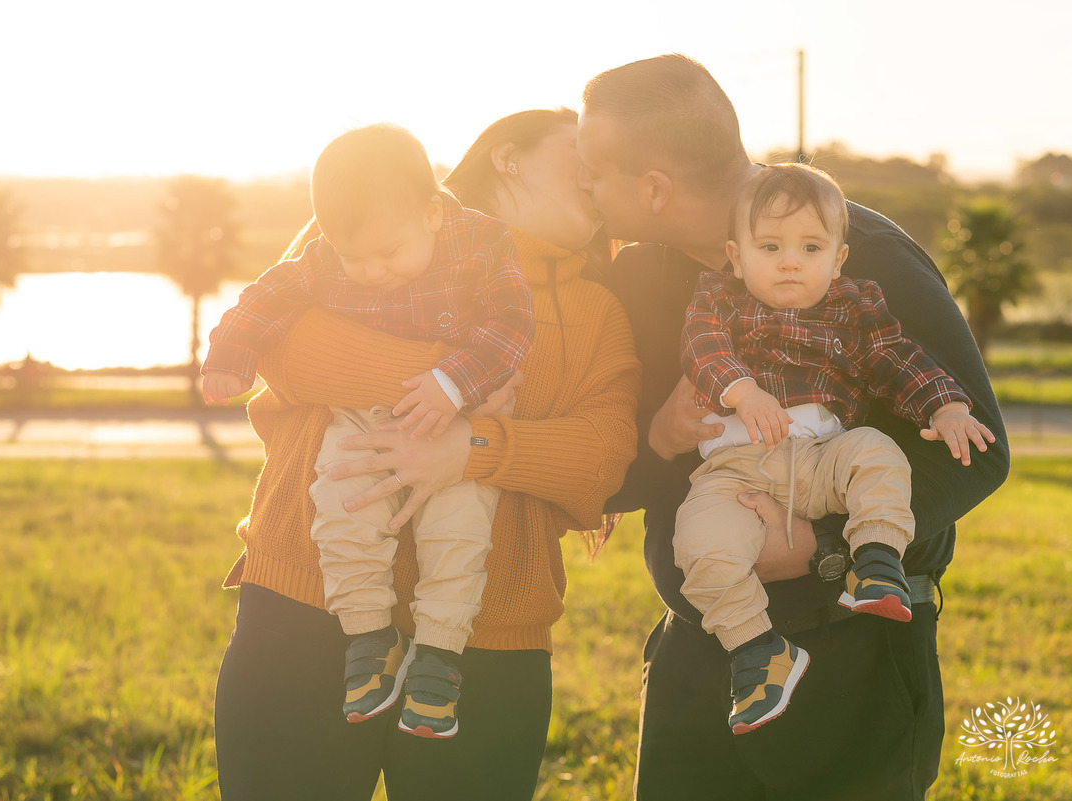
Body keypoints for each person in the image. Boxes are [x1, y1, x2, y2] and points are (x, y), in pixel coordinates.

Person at [578, 55, 1010, 800]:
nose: (585, 190)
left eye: (595, 172)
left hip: (856, 654)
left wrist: (824, 548)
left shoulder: (865, 253)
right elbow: (612, 469)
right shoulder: (638, 280)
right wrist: (661, 435)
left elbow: (977, 452)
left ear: (653, 188)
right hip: (698, 651)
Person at [213, 108, 641, 801]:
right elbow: (291, 350)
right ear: (508, 156)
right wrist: (461, 377)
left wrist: (472, 447)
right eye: (581, 152)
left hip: (488, 638)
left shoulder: (597, 311)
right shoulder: (360, 232)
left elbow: (601, 460)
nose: (600, 173)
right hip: (304, 604)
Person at [202, 123, 536, 739]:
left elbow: (512, 327)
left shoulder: (482, 244)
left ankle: (439, 652)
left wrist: (452, 381)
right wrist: (231, 351)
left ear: (433, 214)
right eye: (353, 258)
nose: (371, 271)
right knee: (341, 501)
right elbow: (268, 295)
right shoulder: (328, 257)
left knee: (457, 530)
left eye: (387, 253)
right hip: (359, 413)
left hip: (460, 412)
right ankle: (369, 635)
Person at [675, 162, 995, 735]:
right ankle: (757, 650)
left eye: (810, 246)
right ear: (736, 254)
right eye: (769, 246)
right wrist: (741, 390)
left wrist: (946, 404)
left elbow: (896, 359)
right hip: (735, 471)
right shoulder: (717, 300)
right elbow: (702, 347)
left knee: (875, 452)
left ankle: (875, 561)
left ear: (838, 258)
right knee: (698, 542)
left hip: (823, 457)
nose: (790, 260)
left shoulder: (854, 308)